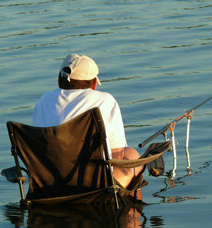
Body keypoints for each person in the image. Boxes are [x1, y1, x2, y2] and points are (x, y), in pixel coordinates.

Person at [33, 53, 143, 188]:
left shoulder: (43, 101)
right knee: (132, 156)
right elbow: (117, 155)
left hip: (48, 185)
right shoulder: (105, 100)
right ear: (94, 83)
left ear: (59, 80)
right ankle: (132, 208)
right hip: (94, 185)